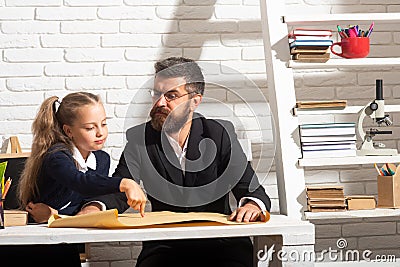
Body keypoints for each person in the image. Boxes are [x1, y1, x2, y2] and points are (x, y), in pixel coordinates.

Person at [80, 57, 272, 267]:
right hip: (165, 246)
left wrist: (252, 205)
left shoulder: (220, 134)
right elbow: (120, 188)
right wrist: (94, 208)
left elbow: (251, 189)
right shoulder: (139, 139)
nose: (159, 103)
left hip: (221, 243)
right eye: (156, 93)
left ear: (195, 101)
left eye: (171, 95)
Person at [18, 92, 146, 222]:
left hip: (72, 231)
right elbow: (79, 182)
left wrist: (55, 215)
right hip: (40, 234)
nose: (100, 133)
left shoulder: (102, 160)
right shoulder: (56, 157)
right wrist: (124, 183)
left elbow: (84, 203)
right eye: (90, 128)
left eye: (103, 124)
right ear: (69, 131)